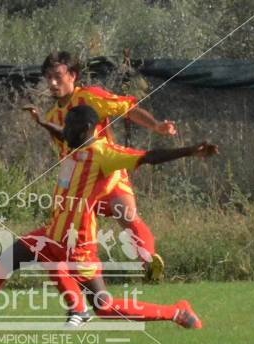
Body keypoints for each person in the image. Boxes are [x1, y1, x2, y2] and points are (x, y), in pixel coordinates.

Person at [0, 105, 218, 334]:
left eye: (71, 126)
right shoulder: (72, 144)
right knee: (5, 261)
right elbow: (61, 133)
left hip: (76, 243)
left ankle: (173, 312)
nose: (65, 130)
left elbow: (150, 156)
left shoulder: (104, 154)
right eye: (65, 125)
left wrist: (190, 151)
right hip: (53, 233)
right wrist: (43, 123)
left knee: (103, 306)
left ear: (88, 129)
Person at [24, 50, 176, 282]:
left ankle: (149, 264)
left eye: (58, 76)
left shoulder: (91, 97)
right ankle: (82, 277)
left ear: (72, 75)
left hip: (106, 172)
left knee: (126, 215)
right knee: (70, 231)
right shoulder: (53, 115)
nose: (53, 83)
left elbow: (127, 109)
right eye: (49, 78)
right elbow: (65, 150)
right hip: (79, 182)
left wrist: (155, 126)